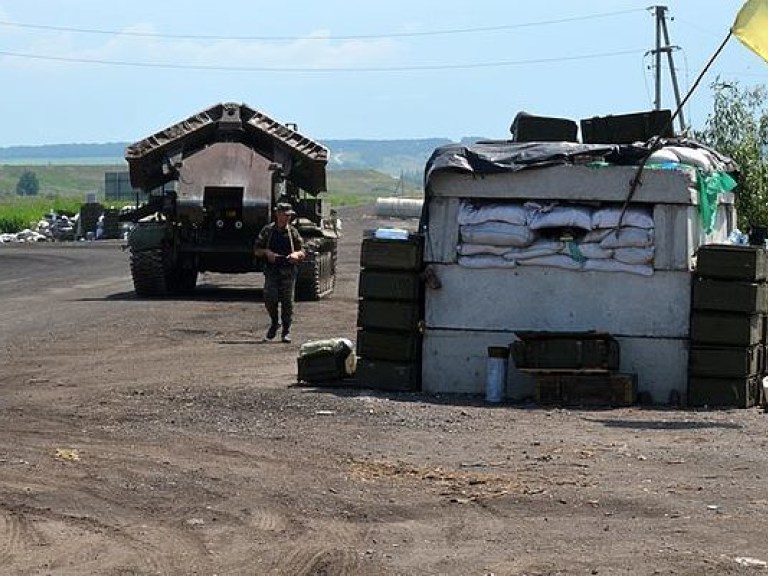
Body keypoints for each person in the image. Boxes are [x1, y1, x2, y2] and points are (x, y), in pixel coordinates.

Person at [253, 202, 306, 343]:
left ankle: (286, 330)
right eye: (284, 215)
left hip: (288, 270)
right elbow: (256, 250)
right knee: (270, 299)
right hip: (272, 270)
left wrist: (296, 255)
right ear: (277, 214)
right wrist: (267, 252)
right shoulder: (268, 231)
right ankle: (274, 322)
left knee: (288, 303)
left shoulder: (293, 232)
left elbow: (303, 251)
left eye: (288, 215)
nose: (286, 218)